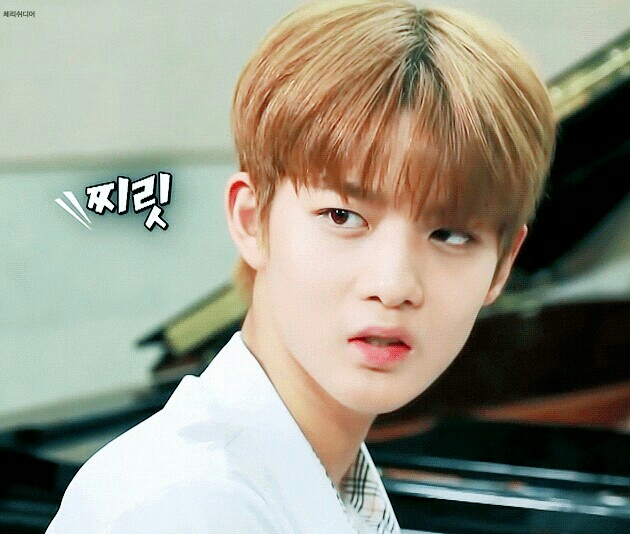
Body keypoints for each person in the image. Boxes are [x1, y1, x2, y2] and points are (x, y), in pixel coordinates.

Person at [46, 1, 556, 532]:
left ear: (503, 265)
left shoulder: (329, 483)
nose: (394, 285)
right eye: (343, 216)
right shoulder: (187, 508)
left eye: (449, 234)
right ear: (252, 221)